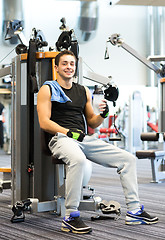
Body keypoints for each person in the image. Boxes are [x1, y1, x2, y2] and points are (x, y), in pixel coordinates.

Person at [37, 50, 158, 234]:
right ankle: (71, 216)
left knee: (128, 159)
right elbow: (44, 122)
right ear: (56, 67)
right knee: (78, 160)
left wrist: (104, 114)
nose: (69, 67)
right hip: (60, 138)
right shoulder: (48, 88)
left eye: (72, 64)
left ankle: (134, 211)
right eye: (64, 64)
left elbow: (92, 121)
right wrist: (68, 132)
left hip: (83, 138)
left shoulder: (83, 90)